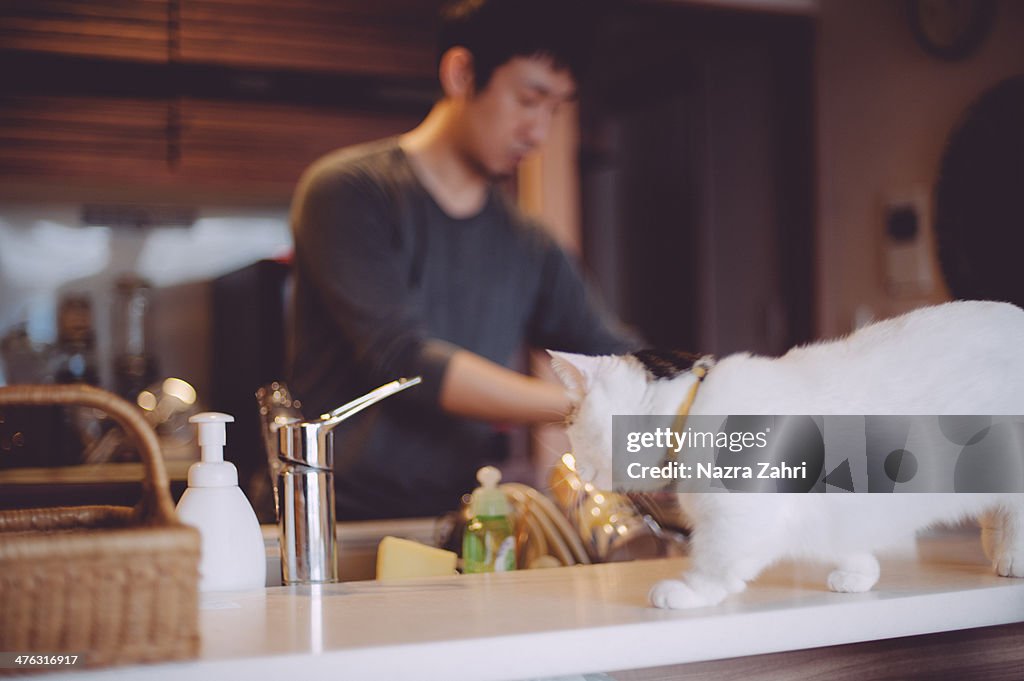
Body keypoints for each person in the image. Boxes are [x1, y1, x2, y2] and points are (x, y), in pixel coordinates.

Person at [288, 0, 639, 520]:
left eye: (556, 109)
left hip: (462, 519)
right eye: (529, 99)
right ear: (461, 73)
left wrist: (704, 395)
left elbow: (612, 354)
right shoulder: (349, 192)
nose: (540, 132)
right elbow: (404, 360)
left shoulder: (529, 244)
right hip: (337, 522)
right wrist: (582, 408)